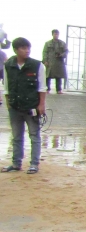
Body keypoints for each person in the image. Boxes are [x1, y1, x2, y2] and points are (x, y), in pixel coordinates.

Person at [2, 38, 46, 174]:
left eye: (28, 48)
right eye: (24, 48)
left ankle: (34, 164)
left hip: (31, 107)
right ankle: (16, 163)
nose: (27, 51)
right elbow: (7, 87)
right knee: (16, 136)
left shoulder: (37, 66)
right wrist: (9, 104)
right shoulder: (8, 65)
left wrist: (41, 105)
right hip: (15, 107)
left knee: (34, 135)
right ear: (16, 50)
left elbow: (42, 87)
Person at [42, 29, 68, 94]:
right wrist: (45, 60)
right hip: (50, 62)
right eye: (55, 34)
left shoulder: (62, 43)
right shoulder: (47, 43)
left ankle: (59, 89)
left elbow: (66, 51)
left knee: (58, 76)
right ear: (52, 34)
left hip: (59, 62)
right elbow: (45, 52)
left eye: (57, 34)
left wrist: (61, 55)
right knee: (48, 76)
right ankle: (47, 89)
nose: (56, 35)